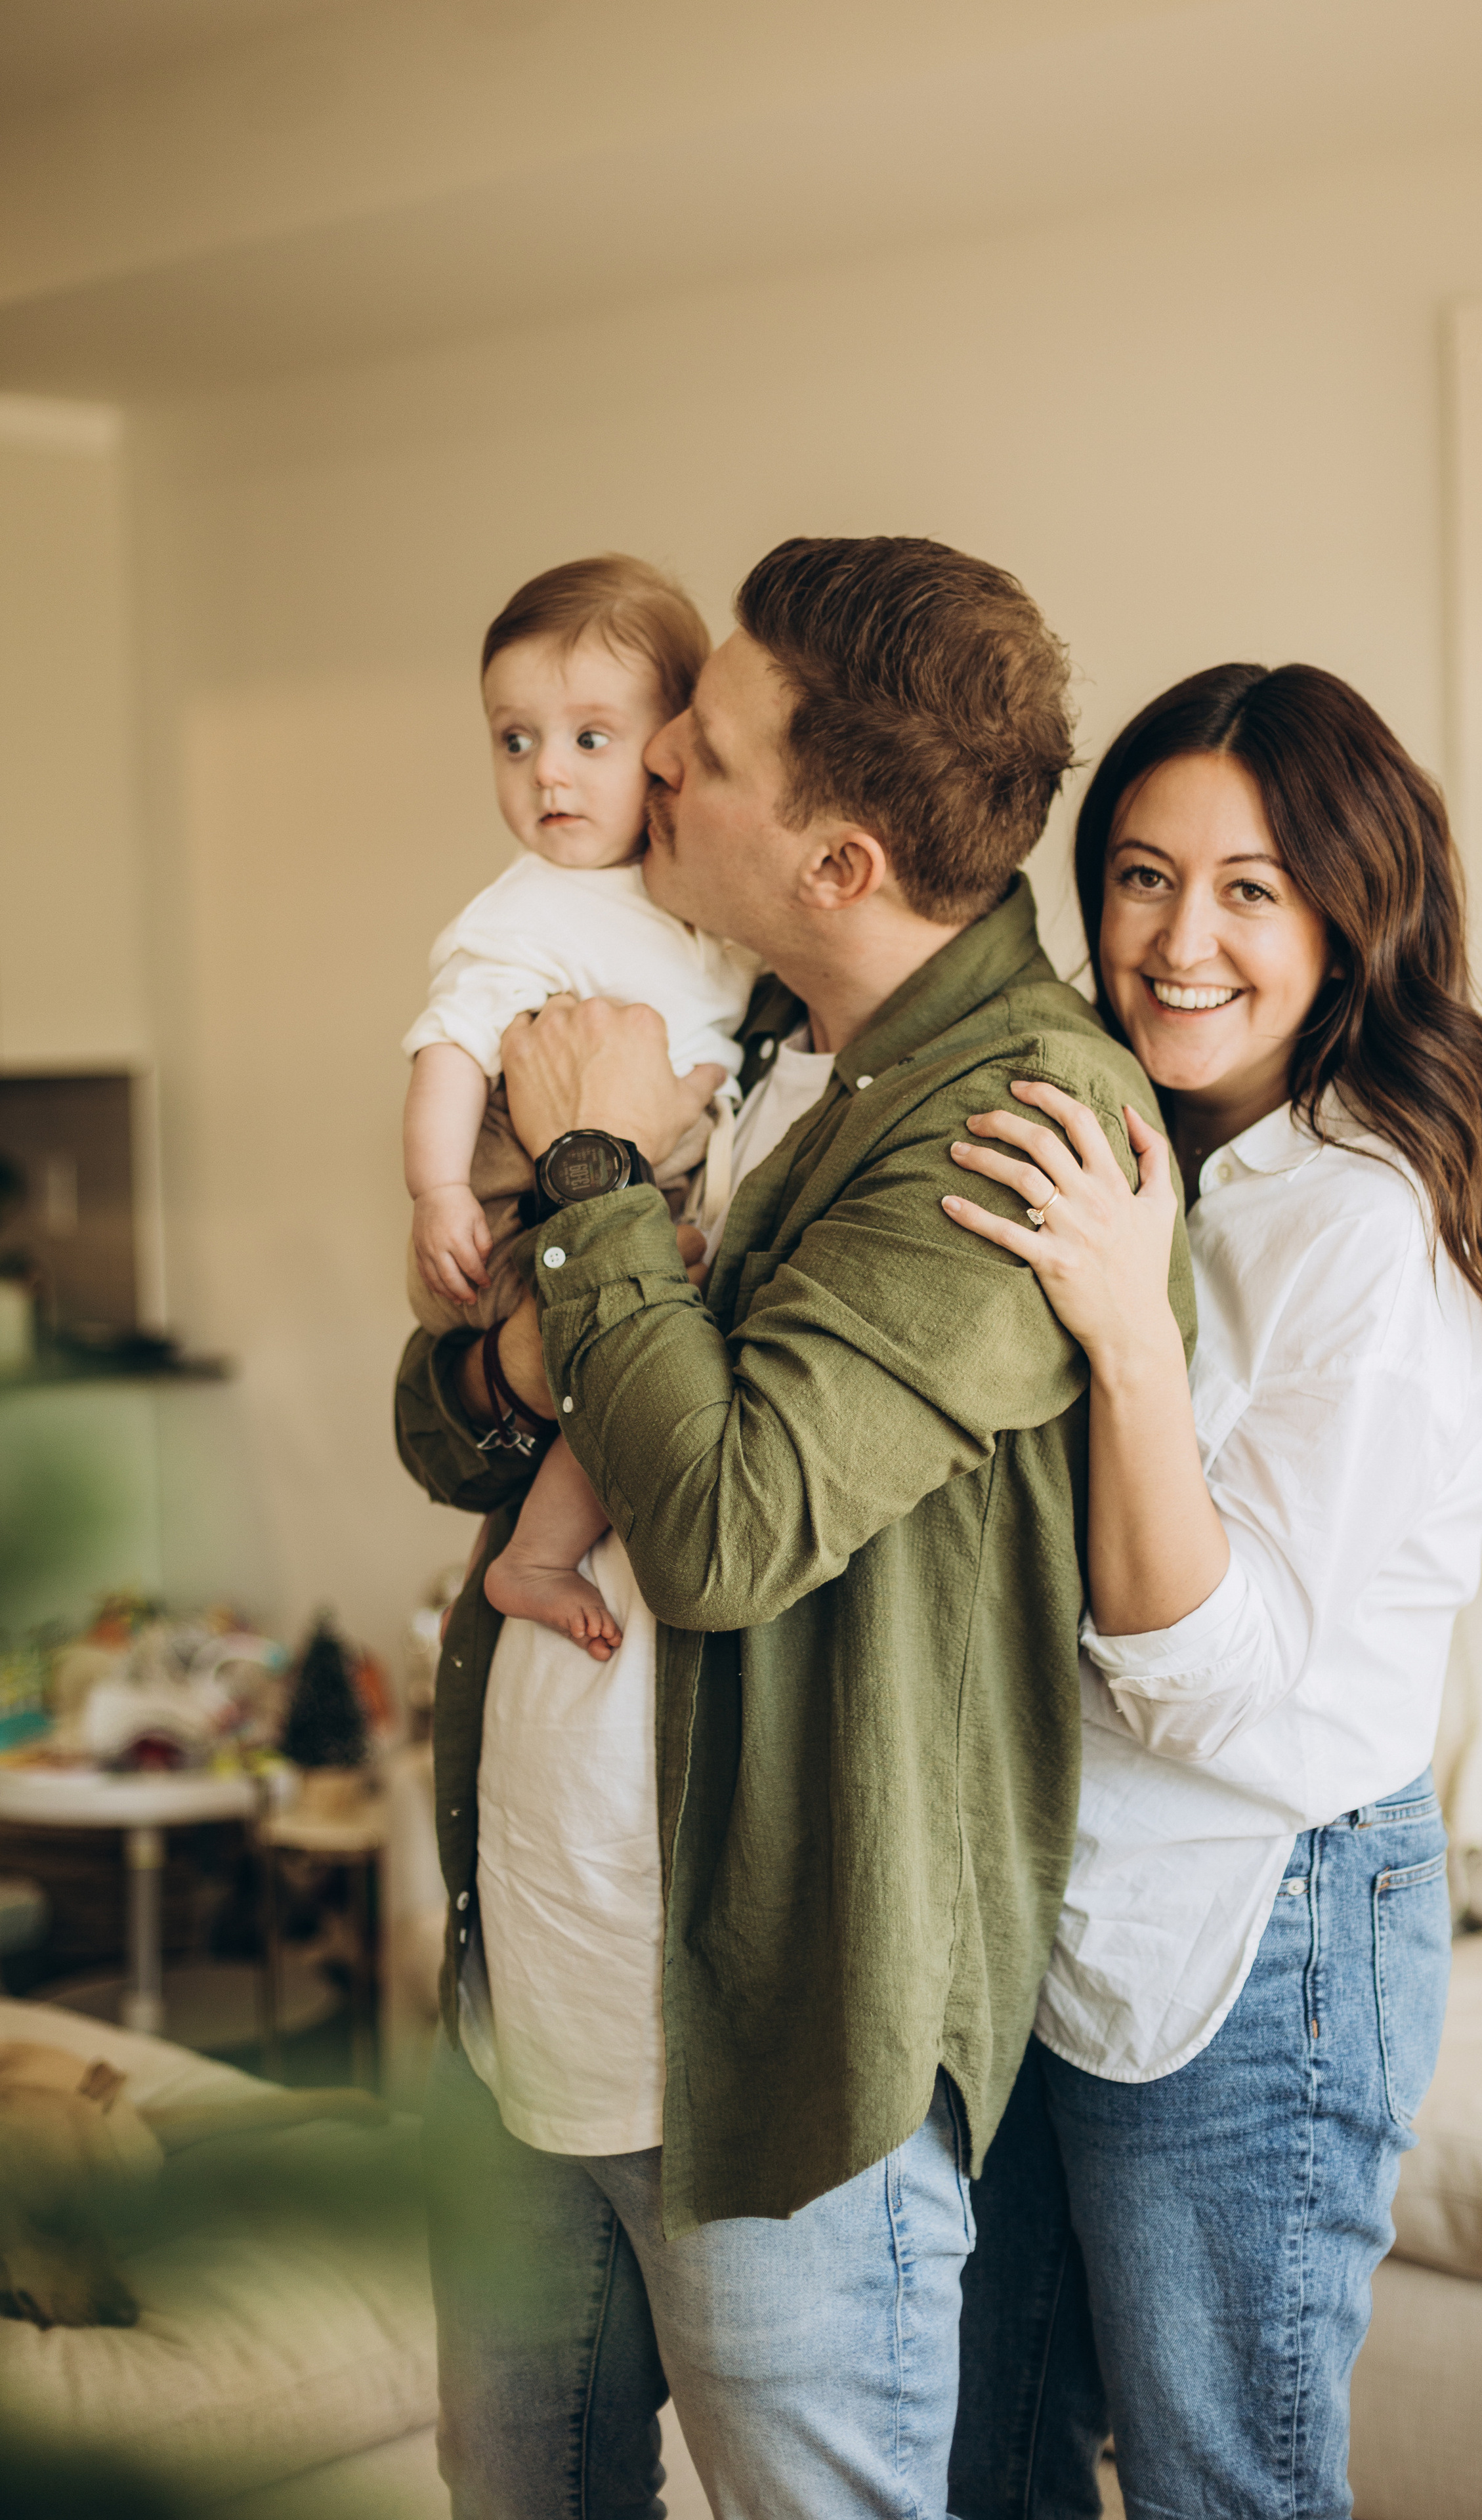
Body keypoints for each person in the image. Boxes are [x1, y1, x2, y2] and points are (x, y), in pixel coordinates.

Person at [393, 536, 1197, 2520]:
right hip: (536, 2020)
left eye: (709, 749)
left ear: (840, 861)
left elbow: (737, 1523)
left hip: (765, 2067)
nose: (652, 755)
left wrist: (585, 1175)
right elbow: (446, 1411)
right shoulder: (729, 1017)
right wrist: (513, 1353)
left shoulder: (1020, 1121)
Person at [943, 662, 1482, 2520]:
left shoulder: (1369, 1223)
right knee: (978, 2467)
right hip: (1062, 1901)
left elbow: (1219, 1687)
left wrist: (1123, 1336)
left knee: (1221, 2489)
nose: (1179, 938)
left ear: (1349, 908)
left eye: (1251, 887)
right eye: (1142, 875)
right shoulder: (1142, 1137)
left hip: (1267, 1918)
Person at [401, 555, 755, 1654]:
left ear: (672, 750)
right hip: (533, 1208)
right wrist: (438, 1187)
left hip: (650, 1187)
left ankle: (533, 1552)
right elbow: (450, 1047)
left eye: (588, 739)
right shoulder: (526, 914)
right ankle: (535, 1557)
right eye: (516, 740)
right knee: (612, 1350)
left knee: (653, 1354)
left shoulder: (694, 903)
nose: (547, 773)